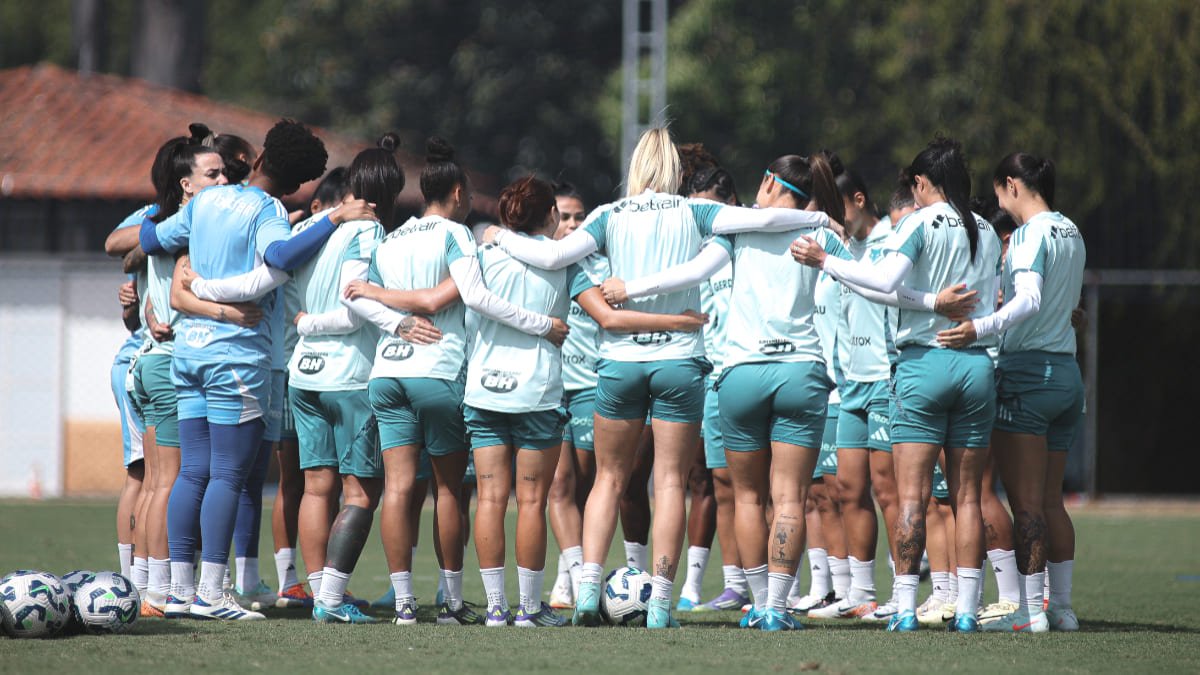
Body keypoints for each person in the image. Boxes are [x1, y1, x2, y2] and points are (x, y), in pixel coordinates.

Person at [483, 127, 837, 629]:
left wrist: (499, 235)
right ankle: (661, 604)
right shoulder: (694, 210)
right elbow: (764, 218)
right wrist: (818, 215)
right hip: (679, 360)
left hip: (621, 361)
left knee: (608, 478)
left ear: (635, 167)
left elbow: (553, 256)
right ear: (672, 169)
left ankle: (587, 592)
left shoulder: (608, 215)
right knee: (669, 481)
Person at [140, 118, 371, 620]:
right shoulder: (266, 209)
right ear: (295, 186)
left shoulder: (204, 199)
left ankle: (179, 592)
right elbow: (281, 254)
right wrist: (333, 219)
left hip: (190, 354)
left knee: (194, 473)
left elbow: (152, 237)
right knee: (228, 474)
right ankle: (212, 594)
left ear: (261, 157)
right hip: (236, 358)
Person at [341, 139, 564, 626]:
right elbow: (469, 295)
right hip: (437, 372)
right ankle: (452, 601)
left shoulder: (392, 237)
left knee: (398, 489)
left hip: (387, 373)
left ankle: (402, 605)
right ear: (459, 192)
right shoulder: (457, 235)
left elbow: (356, 298)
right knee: (448, 491)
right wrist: (543, 324)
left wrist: (393, 320)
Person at [792, 137, 1003, 633]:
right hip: (975, 366)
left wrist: (827, 263)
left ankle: (906, 608)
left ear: (923, 184)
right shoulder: (988, 230)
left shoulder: (920, 222)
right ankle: (968, 610)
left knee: (912, 496)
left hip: (924, 363)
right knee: (967, 498)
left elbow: (886, 283)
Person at [937, 153, 1086, 633]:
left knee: (1025, 504)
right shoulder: (1072, 231)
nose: (998, 202)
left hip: (1029, 374)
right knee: (1050, 501)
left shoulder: (1028, 234)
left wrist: (980, 326)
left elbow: (1031, 298)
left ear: (1011, 186)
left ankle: (1030, 611)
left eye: (998, 192)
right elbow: (1063, 305)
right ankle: (1060, 608)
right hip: (1066, 373)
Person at [131, 127, 229, 615]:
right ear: (186, 184)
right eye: (213, 173)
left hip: (147, 362)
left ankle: (144, 585)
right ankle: (160, 593)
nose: (224, 179)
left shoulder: (159, 219)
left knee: (155, 483)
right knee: (172, 482)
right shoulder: (189, 224)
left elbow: (134, 246)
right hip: (171, 362)